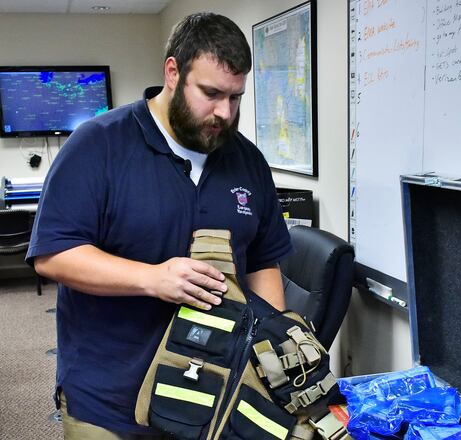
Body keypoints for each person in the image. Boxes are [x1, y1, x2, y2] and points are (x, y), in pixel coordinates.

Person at [26, 12, 292, 439]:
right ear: (173, 72)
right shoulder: (98, 144)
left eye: (236, 97)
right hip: (111, 402)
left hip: (215, 401)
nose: (225, 112)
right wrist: (153, 278)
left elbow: (263, 260)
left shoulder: (247, 160)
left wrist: (274, 350)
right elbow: (54, 254)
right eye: (211, 93)